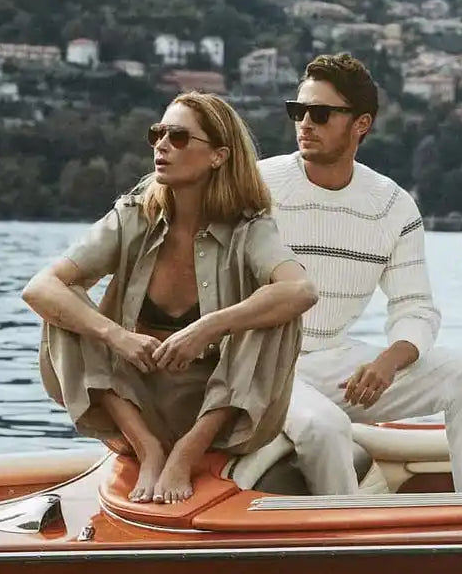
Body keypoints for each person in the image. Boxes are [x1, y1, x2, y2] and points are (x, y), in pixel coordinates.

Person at [24, 91, 319, 504]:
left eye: (178, 137)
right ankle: (148, 448)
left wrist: (210, 325)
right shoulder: (131, 217)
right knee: (61, 304)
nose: (161, 144)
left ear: (218, 156)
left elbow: (301, 290)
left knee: (278, 311)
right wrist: (116, 336)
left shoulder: (250, 229)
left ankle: (186, 451)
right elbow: (39, 286)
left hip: (215, 411)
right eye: (157, 133)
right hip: (134, 401)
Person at [259, 53, 462, 495]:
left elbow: (416, 307)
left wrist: (386, 363)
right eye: (298, 111)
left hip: (334, 360)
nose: (305, 124)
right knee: (327, 428)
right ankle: (351, 543)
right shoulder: (257, 186)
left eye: (320, 113)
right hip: (260, 364)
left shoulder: (391, 205)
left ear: (361, 124)